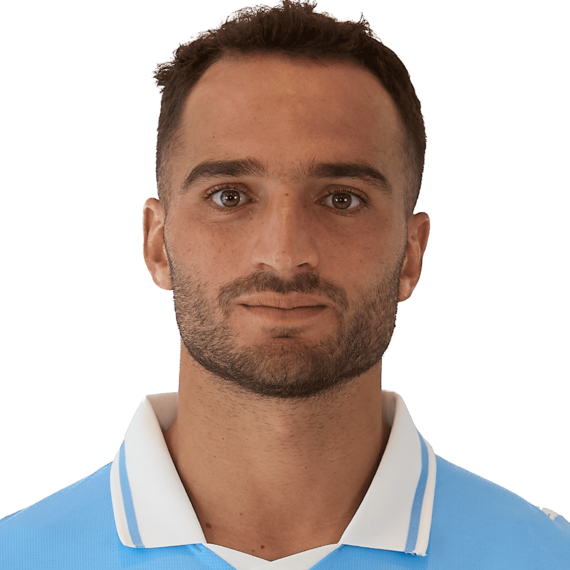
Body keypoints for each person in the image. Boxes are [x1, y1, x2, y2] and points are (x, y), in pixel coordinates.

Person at [1, 1, 568, 568]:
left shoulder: (545, 556)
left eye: (341, 199)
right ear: (156, 244)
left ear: (411, 254)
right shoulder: (18, 555)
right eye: (230, 196)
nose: (285, 255)